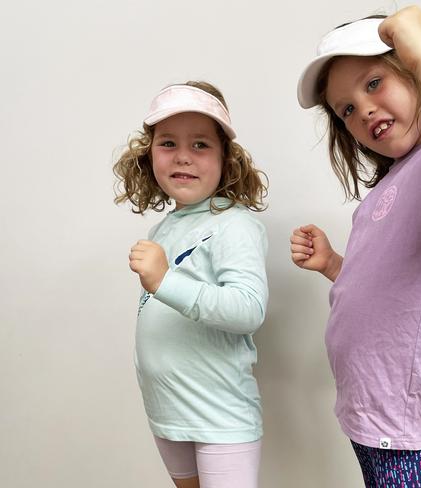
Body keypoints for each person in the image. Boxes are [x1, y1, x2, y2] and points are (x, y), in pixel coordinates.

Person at [290, 7, 421, 487]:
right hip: (371, 412)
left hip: (402, 424)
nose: (361, 109)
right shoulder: (389, 187)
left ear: (415, 73)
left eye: (373, 83)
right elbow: (386, 286)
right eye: (345, 109)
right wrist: (333, 265)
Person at [113, 81, 268, 488]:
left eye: (200, 144)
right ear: (149, 155)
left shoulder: (234, 224)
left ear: (226, 159)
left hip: (219, 414)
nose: (183, 156)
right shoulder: (163, 228)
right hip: (168, 410)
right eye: (168, 143)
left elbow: (248, 309)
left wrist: (166, 279)